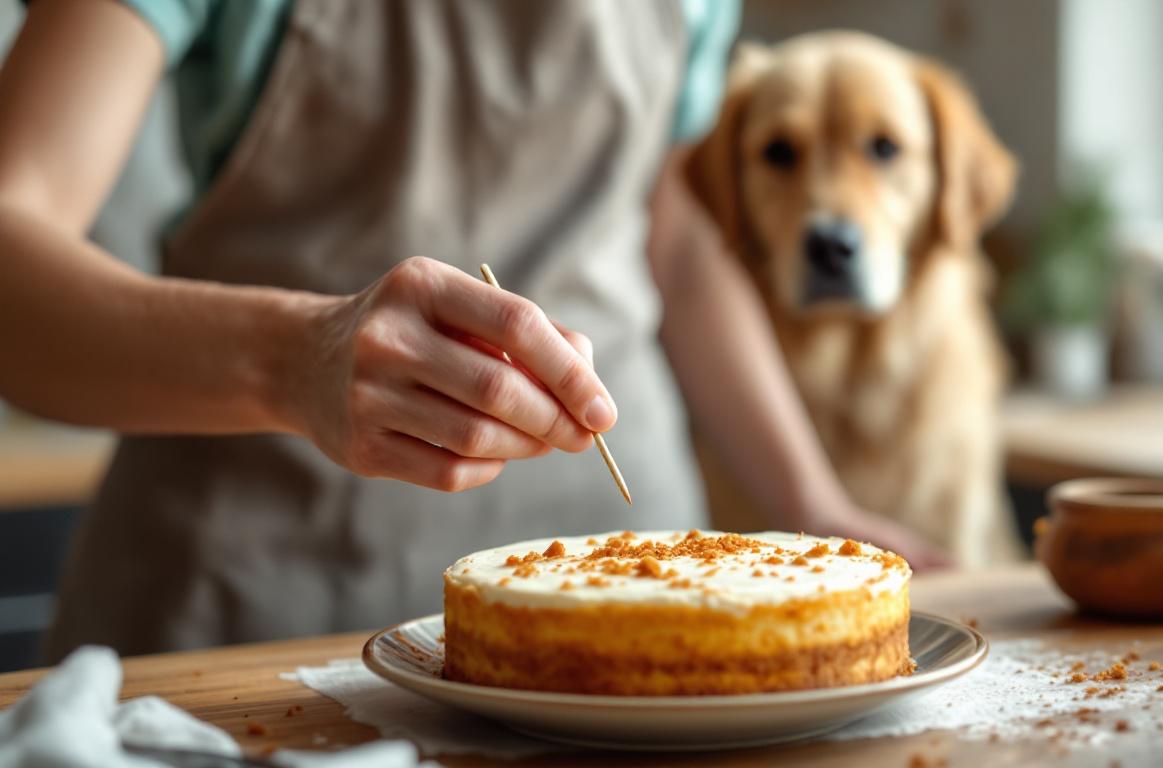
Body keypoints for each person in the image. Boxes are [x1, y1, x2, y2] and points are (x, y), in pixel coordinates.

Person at [0, 0, 946, 659]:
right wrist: (300, 357)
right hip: (251, 598)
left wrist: (810, 502)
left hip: (636, 591)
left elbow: (682, 246)